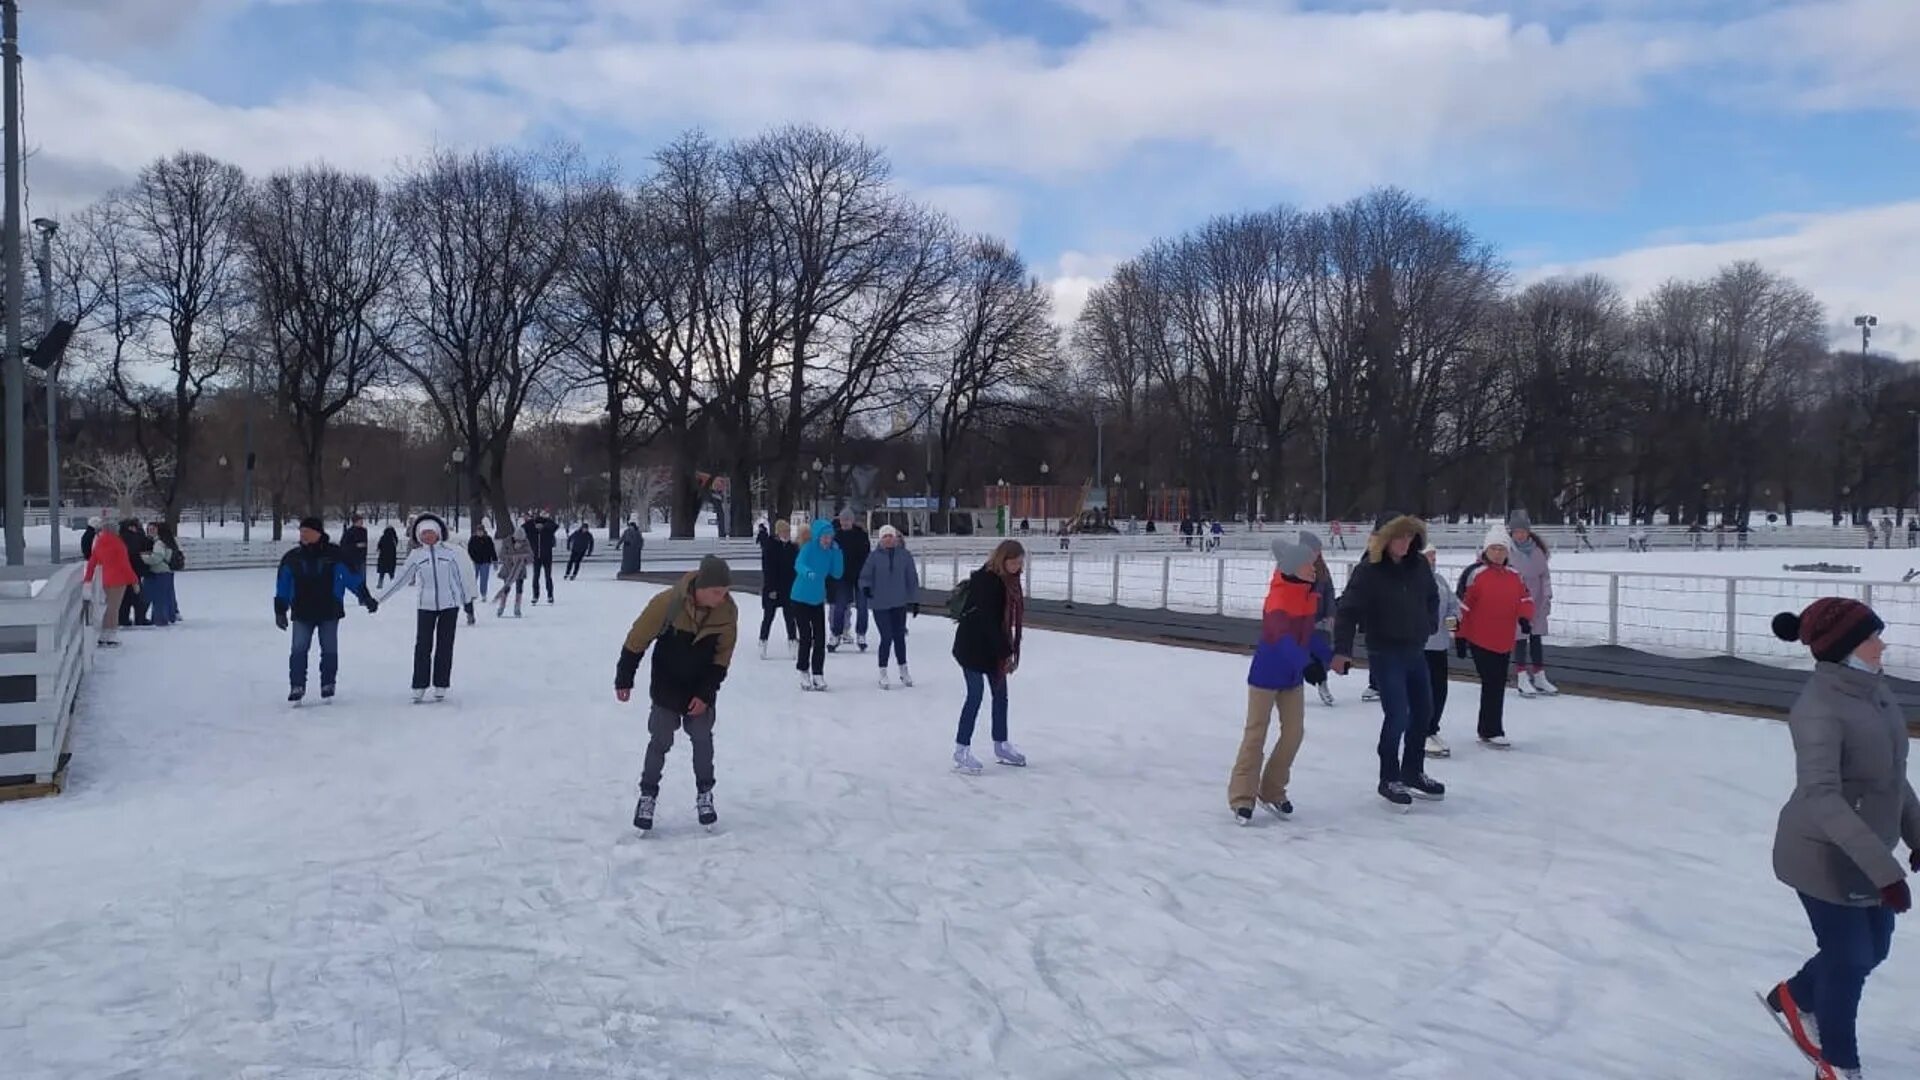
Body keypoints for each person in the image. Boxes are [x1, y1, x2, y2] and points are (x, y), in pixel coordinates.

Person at [1760, 598, 1916, 1080]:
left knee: (1874, 950)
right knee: (1850, 960)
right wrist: (1886, 872)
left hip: (1868, 848)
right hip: (1822, 853)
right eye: (1872, 637)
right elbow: (1823, 798)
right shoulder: (1818, 709)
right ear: (1846, 648)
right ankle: (1838, 1063)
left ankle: (1796, 995)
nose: (1882, 644)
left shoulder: (1875, 693)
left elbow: (1893, 776)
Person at [615, 555, 739, 834]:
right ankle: (647, 796)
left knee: (702, 739)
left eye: (726, 592)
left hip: (700, 687)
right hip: (667, 685)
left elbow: (722, 658)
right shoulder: (667, 603)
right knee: (660, 740)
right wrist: (625, 677)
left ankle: (705, 793)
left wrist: (705, 693)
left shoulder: (727, 613)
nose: (722, 598)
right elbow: (637, 639)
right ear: (702, 587)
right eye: (718, 592)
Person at [1331, 514, 1444, 810]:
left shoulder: (1418, 566)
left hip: (1415, 650)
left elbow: (1433, 597)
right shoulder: (1369, 570)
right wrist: (1341, 651)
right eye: (1399, 537)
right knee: (1398, 715)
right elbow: (1347, 611)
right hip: (1385, 651)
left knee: (1423, 712)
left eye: (1409, 537)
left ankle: (1413, 771)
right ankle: (1389, 776)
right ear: (1385, 539)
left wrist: (1429, 623)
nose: (1405, 543)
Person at [1229, 536, 1331, 824]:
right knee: (1255, 734)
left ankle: (1272, 789)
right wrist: (1307, 664)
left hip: (1292, 678)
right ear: (1295, 567)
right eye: (1309, 564)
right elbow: (1280, 637)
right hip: (1266, 675)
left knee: (1294, 732)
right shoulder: (1279, 597)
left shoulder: (1307, 595)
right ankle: (1241, 797)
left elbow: (1307, 635)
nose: (1315, 568)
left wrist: (1330, 656)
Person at [274, 516, 378, 703]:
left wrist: (365, 597)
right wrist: (280, 610)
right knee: (298, 649)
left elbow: (351, 578)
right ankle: (297, 685)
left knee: (329, 649)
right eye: (301, 531)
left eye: (307, 531)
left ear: (318, 533)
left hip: (329, 610)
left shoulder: (335, 554)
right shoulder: (292, 558)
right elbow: (283, 584)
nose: (303, 535)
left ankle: (328, 683)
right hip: (302, 611)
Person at [379, 514, 476, 703]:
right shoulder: (417, 556)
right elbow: (400, 579)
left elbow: (461, 577)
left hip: (449, 604)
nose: (427, 537)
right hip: (426, 605)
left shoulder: (450, 553)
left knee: (445, 645)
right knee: (422, 646)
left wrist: (467, 601)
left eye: (430, 533)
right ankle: (419, 685)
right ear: (418, 536)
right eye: (423, 534)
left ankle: (441, 684)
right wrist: (378, 599)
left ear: (438, 533)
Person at [951, 540, 1027, 774]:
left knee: (1001, 695)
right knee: (975, 696)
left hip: (993, 647)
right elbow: (988, 622)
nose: (1017, 566)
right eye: (1013, 562)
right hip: (973, 646)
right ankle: (961, 749)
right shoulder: (987, 581)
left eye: (1020, 562)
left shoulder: (1010, 582)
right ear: (1002, 559)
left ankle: (1001, 744)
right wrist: (1006, 653)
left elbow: (1003, 622)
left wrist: (1005, 650)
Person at [1456, 526, 1535, 750]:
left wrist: (1524, 618)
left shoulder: (1515, 576)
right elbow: (1459, 607)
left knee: (1497, 682)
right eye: (1494, 548)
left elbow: (1525, 599)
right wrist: (1459, 636)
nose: (1498, 553)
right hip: (1478, 638)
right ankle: (1491, 729)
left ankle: (1489, 728)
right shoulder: (1474, 574)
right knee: (1491, 680)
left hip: (1503, 638)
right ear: (1486, 550)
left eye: (1502, 549)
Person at [859, 525, 919, 689]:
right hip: (880, 603)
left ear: (896, 538)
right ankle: (883, 671)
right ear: (880, 539)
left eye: (891, 536)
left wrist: (914, 599)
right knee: (886, 637)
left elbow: (911, 578)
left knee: (899, 637)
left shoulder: (904, 556)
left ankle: (903, 669)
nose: (888, 540)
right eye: (885, 537)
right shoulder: (874, 557)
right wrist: (866, 587)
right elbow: (865, 576)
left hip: (899, 602)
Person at [1506, 511, 1558, 697]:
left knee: (1536, 637)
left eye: (1523, 531)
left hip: (1537, 600)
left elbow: (1544, 575)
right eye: (1516, 531)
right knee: (1519, 638)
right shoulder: (1507, 551)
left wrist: (1547, 594)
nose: (1520, 535)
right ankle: (1521, 675)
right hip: (1516, 600)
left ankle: (1539, 674)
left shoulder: (1537, 551)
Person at [791, 517, 842, 691]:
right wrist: (808, 572)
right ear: (818, 536)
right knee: (806, 636)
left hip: (817, 599)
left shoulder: (830, 552)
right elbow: (798, 564)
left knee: (820, 637)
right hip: (800, 598)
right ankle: (803, 670)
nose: (828, 540)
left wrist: (837, 553)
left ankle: (818, 673)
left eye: (830, 537)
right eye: (825, 537)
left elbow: (837, 573)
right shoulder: (808, 547)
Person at [1422, 547, 1461, 759]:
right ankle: (1421, 731)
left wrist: (1453, 626)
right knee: (1423, 691)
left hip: (1439, 645)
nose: (1433, 559)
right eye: (1429, 555)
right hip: (1420, 646)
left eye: (1434, 555)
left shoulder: (1440, 580)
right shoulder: (1413, 580)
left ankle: (1432, 727)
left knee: (1439, 690)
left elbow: (1452, 606)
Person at [83, 519, 139, 647]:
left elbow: (92, 563)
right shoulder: (118, 544)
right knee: (114, 608)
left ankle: (105, 633)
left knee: (109, 607)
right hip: (119, 579)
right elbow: (125, 565)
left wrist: (87, 579)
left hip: (106, 578)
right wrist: (134, 581)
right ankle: (111, 634)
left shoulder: (100, 543)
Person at [1297, 531, 1338, 707]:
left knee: (1320, 654)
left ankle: (1322, 683)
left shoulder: (1322, 569)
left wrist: (1330, 614)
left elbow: (1329, 591)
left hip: (1319, 619)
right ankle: (1291, 689)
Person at [829, 509, 871, 652]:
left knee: (862, 606)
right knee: (839, 606)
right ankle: (836, 633)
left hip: (860, 576)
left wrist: (864, 574)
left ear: (852, 521)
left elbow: (866, 556)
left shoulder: (861, 535)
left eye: (847, 520)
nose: (845, 523)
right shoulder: (836, 536)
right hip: (842, 577)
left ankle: (861, 633)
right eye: (843, 520)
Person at [756, 519, 798, 659]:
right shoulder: (771, 546)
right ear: (778, 532)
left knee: (790, 618)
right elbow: (768, 569)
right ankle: (763, 642)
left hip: (789, 589)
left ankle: (793, 643)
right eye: (784, 531)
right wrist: (771, 588)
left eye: (788, 531)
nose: (787, 534)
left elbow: (795, 569)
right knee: (768, 617)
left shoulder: (793, 548)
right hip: (773, 588)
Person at [139, 522, 179, 628]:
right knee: (166, 596)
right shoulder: (166, 541)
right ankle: (169, 616)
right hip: (166, 572)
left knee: (159, 598)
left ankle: (160, 619)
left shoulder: (159, 543)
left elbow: (156, 558)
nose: (150, 531)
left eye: (153, 529)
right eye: (149, 529)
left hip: (159, 572)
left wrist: (142, 557)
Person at [118, 519, 154, 629]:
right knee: (138, 597)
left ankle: (123, 619)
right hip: (134, 571)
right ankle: (140, 618)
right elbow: (142, 549)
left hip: (122, 572)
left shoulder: (119, 538)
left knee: (124, 598)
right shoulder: (136, 538)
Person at [492, 532, 533, 617]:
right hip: (507, 569)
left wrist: (523, 558)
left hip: (520, 569)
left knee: (519, 589)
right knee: (506, 588)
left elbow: (531, 556)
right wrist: (512, 558)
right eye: (518, 540)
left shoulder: (526, 542)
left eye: (521, 541)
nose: (519, 542)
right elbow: (501, 555)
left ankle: (517, 607)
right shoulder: (506, 542)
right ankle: (501, 607)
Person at [522, 511, 560, 604]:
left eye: (540, 525)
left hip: (547, 556)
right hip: (536, 557)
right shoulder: (531, 530)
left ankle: (550, 595)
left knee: (548, 576)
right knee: (536, 577)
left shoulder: (548, 530)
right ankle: (535, 595)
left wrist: (545, 522)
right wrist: (533, 521)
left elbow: (555, 526)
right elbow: (523, 527)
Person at [466, 524, 497, 597]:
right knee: (473, 578)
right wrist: (472, 558)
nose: (479, 533)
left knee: (484, 579)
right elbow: (469, 550)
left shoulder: (488, 539)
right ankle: (472, 593)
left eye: (481, 531)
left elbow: (492, 550)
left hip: (485, 562)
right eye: (478, 531)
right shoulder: (473, 539)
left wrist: (495, 560)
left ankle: (483, 594)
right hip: (475, 562)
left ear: (483, 531)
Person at [340, 513, 370, 577]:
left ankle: (362, 585)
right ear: (355, 522)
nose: (362, 522)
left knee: (362, 576)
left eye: (362, 520)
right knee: (355, 576)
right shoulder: (349, 532)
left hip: (362, 557)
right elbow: (343, 545)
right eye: (360, 521)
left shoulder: (364, 531)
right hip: (353, 558)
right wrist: (356, 545)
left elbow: (365, 543)